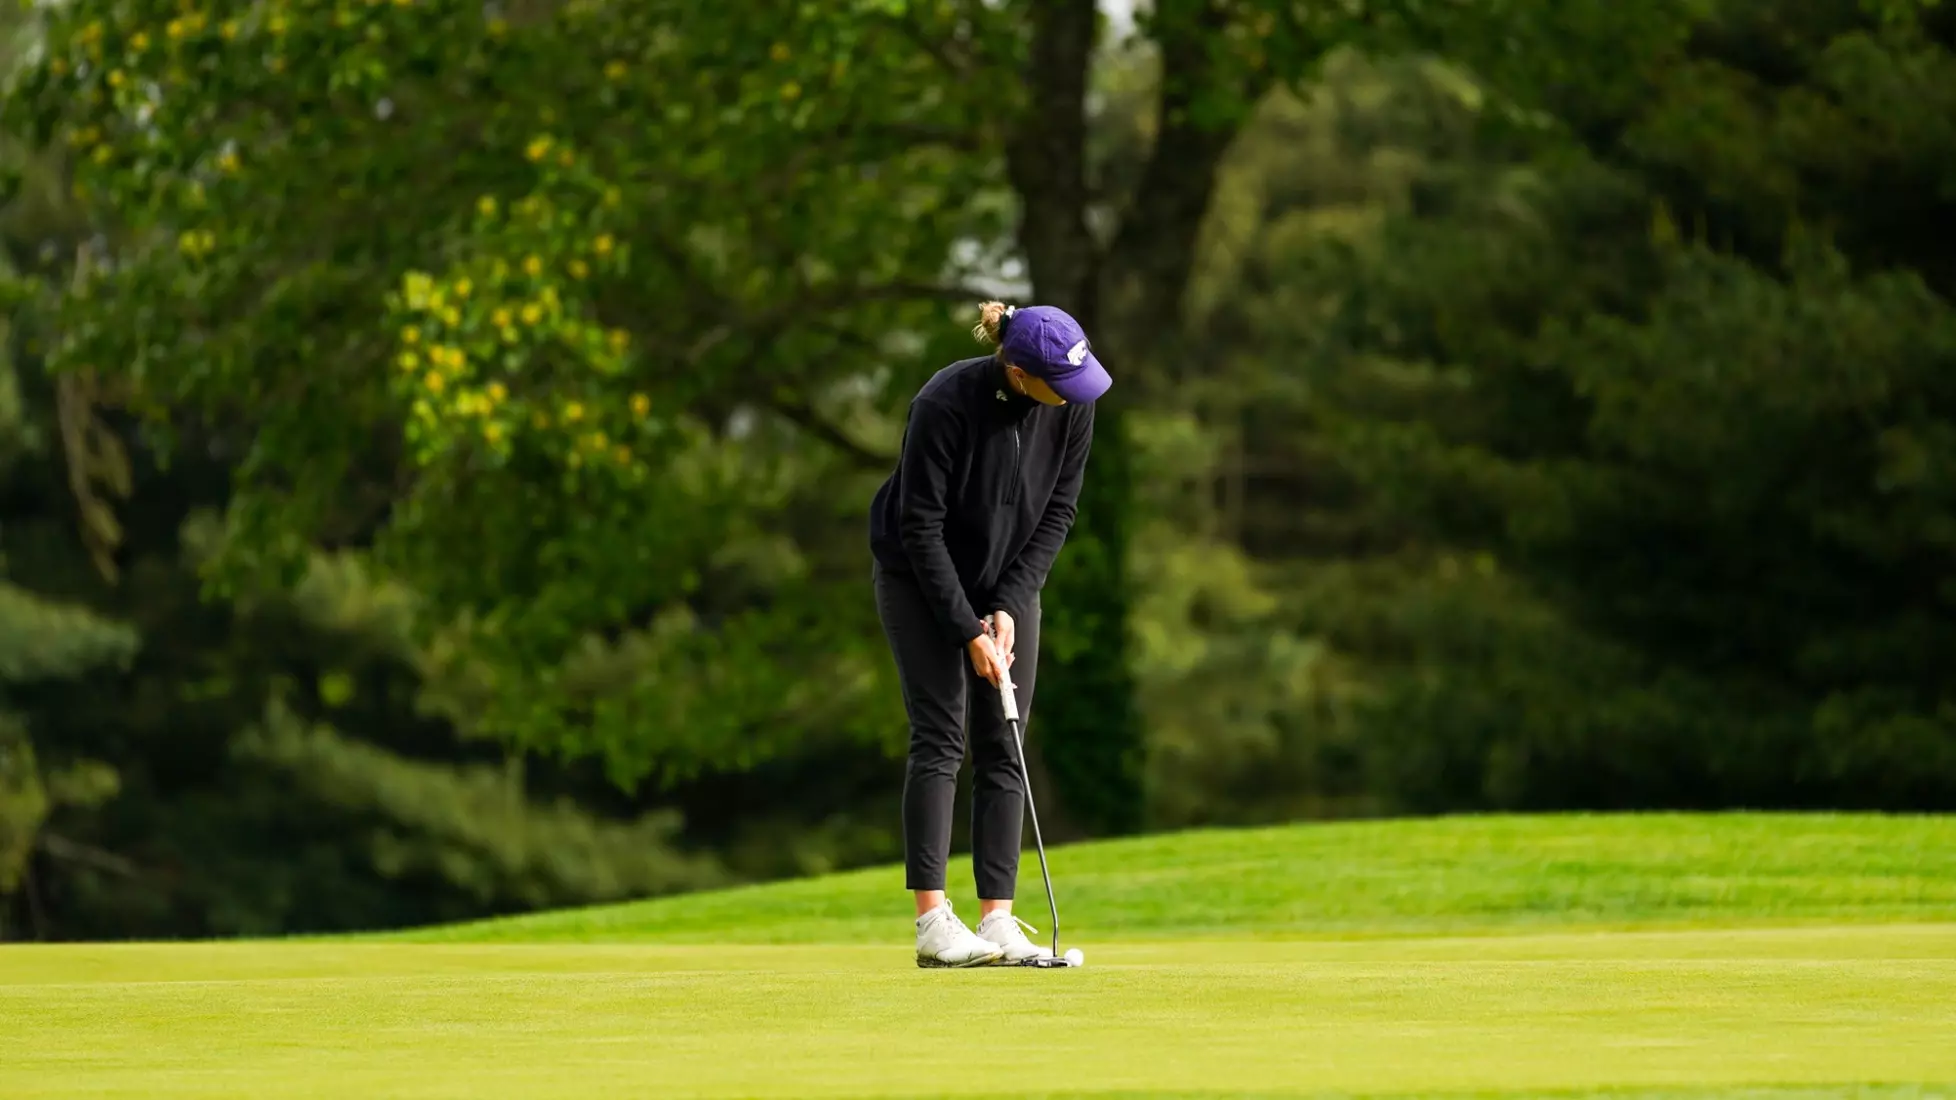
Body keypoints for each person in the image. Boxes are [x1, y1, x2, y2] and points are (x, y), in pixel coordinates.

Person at [868, 300, 1111, 967]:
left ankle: (997, 919)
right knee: (941, 735)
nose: (1071, 397)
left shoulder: (1072, 407)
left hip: (1007, 581)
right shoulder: (944, 404)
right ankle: (932, 924)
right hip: (920, 579)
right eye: (1058, 385)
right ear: (1020, 371)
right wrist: (964, 627)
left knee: (1006, 738)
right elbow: (919, 526)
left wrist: (1008, 602)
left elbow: (1060, 510)